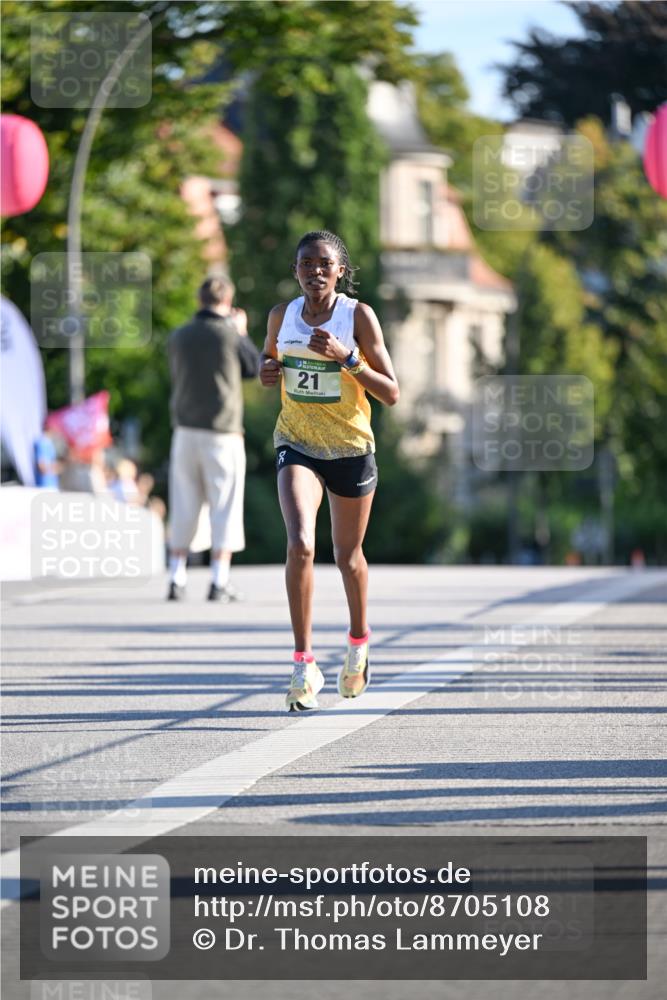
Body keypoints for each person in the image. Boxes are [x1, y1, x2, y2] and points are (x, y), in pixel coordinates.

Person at [259, 230, 399, 712]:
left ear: (340, 270)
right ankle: (303, 664)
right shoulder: (281, 315)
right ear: (295, 270)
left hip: (351, 448)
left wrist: (347, 358)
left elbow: (391, 391)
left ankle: (359, 644)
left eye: (324, 263)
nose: (314, 271)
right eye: (305, 263)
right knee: (300, 543)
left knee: (348, 556)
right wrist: (266, 370)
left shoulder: (357, 316)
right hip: (296, 442)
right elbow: (270, 358)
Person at [167, 274, 260, 602]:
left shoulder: (178, 336)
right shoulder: (229, 335)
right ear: (227, 300)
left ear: (200, 299)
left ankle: (176, 577)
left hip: (185, 430)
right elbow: (255, 368)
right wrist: (242, 331)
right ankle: (218, 581)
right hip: (223, 432)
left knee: (184, 503)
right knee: (225, 505)